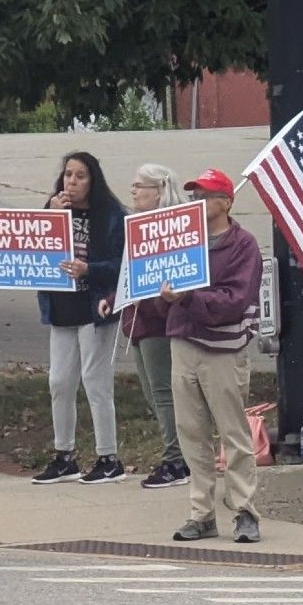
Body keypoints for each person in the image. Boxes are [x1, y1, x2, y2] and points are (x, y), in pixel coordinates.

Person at [165, 168, 263, 545]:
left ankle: (245, 512)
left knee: (233, 434)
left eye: (206, 195)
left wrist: (189, 297)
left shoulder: (243, 245)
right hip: (184, 343)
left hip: (223, 349)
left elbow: (235, 301)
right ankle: (200, 514)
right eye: (194, 196)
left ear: (226, 202)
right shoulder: (181, 240)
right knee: (192, 434)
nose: (198, 202)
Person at [31, 151, 127, 485]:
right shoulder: (54, 208)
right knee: (59, 382)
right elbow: (33, 251)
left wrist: (90, 269)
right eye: (67, 175)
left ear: (93, 180)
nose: (71, 182)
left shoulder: (112, 215)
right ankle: (64, 456)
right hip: (61, 305)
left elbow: (123, 265)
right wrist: (50, 218)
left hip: (95, 305)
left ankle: (108, 457)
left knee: (95, 380)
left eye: (80, 176)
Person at [119, 164, 190, 490]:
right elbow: (127, 274)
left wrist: (149, 300)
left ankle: (177, 460)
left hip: (160, 320)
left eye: (139, 186)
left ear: (159, 190)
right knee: (152, 392)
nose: (133, 191)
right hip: (137, 321)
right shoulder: (136, 227)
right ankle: (176, 454)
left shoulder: (172, 229)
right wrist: (113, 297)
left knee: (163, 393)